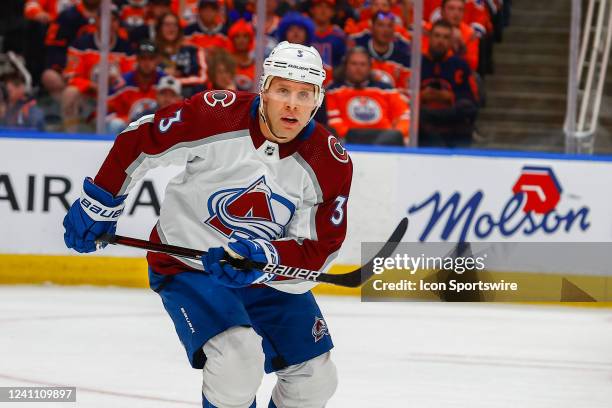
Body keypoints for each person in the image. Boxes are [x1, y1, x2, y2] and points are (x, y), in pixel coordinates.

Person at [62, 41, 350, 408]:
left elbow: (319, 250)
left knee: (315, 380)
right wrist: (100, 202)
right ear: (263, 89)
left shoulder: (328, 161)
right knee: (237, 361)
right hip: (190, 267)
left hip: (261, 273)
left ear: (317, 100)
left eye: (303, 94)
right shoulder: (218, 115)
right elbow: (142, 140)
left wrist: (262, 256)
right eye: (282, 90)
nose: (292, 103)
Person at [326, 47, 409, 144]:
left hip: (385, 143)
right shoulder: (333, 91)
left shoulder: (387, 90)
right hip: (349, 143)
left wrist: (396, 134)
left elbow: (404, 116)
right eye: (354, 64)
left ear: (370, 67)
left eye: (363, 64)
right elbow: (334, 123)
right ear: (346, 66)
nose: (358, 68)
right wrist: (350, 136)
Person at [420, 20, 479, 147]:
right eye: (437, 36)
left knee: (465, 108)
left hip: (452, 121)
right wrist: (421, 96)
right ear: (429, 38)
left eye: (445, 37)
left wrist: (450, 97)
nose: (440, 41)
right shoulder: (417, 62)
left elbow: (472, 102)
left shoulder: (460, 65)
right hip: (424, 123)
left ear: (451, 41)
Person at [106, 40, 166, 134]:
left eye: (151, 58)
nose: (147, 63)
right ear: (137, 59)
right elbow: (107, 110)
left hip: (159, 129)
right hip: (129, 130)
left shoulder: (164, 81)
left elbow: (175, 108)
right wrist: (127, 119)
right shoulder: (124, 82)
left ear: (157, 60)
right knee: (115, 124)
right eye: (143, 58)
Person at [349, 11, 411, 90]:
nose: (385, 30)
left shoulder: (403, 55)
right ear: (372, 28)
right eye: (380, 25)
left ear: (394, 30)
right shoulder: (359, 53)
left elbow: (406, 90)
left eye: (389, 26)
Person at [155, 12, 208, 97]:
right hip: (160, 93)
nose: (171, 28)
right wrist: (163, 74)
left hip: (186, 94)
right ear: (159, 28)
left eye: (174, 25)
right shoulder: (152, 51)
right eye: (167, 24)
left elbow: (202, 78)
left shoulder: (192, 50)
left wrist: (174, 80)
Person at [228, 19, 256, 92]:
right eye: (237, 36)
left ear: (250, 39)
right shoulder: (226, 64)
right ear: (232, 40)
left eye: (245, 36)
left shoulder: (257, 66)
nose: (241, 40)